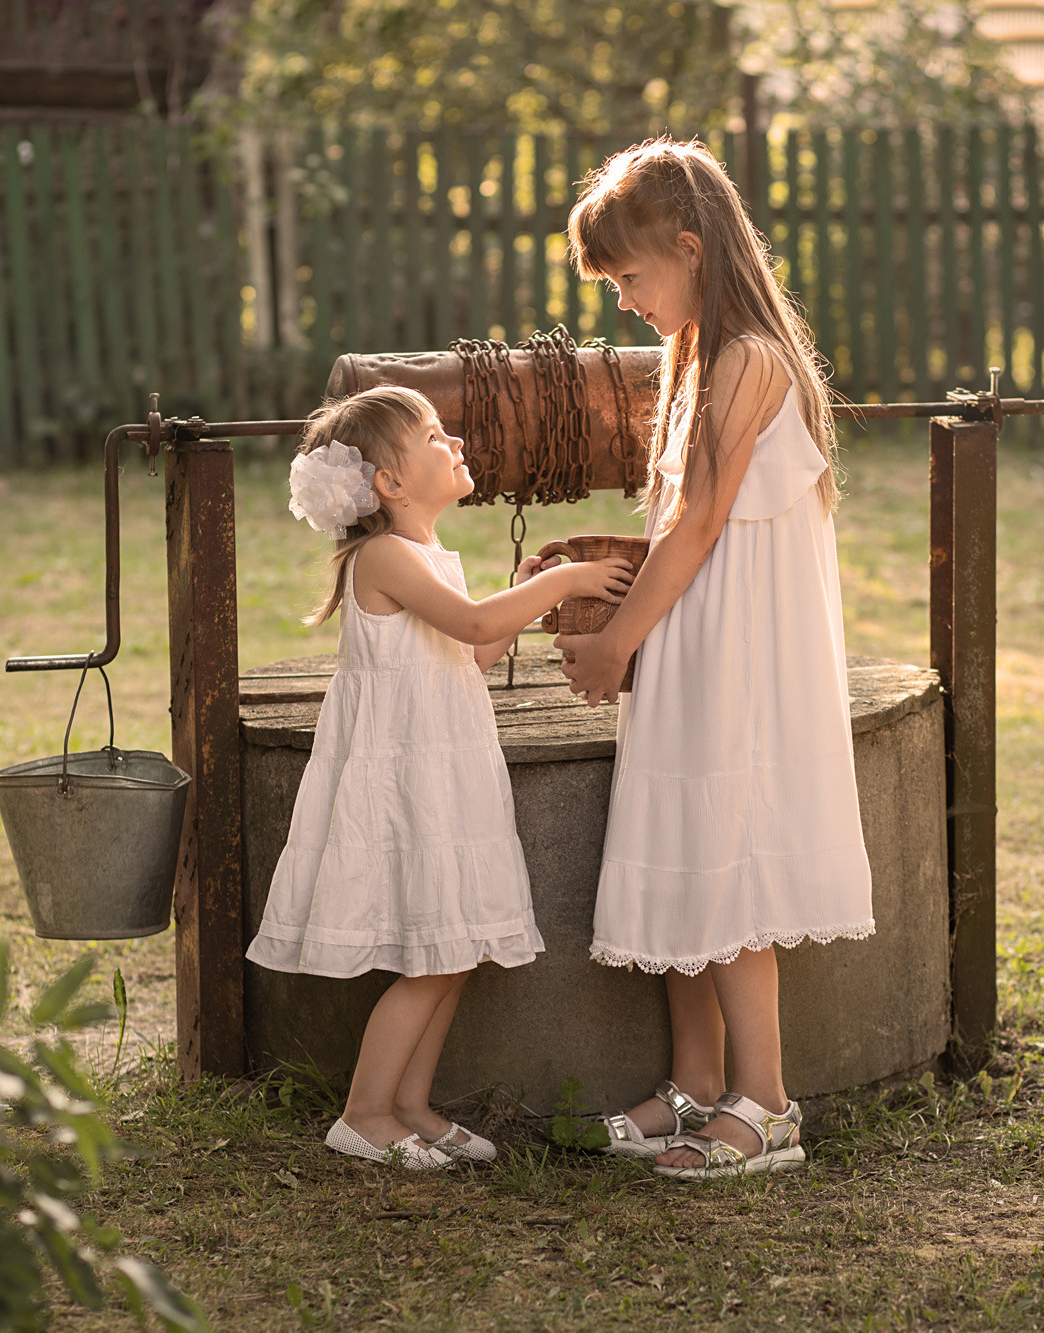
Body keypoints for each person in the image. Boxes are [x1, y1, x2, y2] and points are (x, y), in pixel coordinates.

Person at [556, 139, 874, 1180]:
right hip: (701, 635)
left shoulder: (746, 358)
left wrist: (614, 642)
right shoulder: (699, 351)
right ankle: (695, 1082)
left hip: (738, 651)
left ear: (689, 249)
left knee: (728, 854)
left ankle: (767, 1103)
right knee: (688, 843)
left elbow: (697, 527)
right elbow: (679, 526)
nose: (625, 301)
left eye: (630, 279)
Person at [248, 386, 635, 1170]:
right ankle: (363, 1113)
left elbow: (474, 652)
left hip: (445, 769)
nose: (453, 440)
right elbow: (478, 624)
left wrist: (522, 591)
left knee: (449, 947)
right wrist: (561, 584)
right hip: (406, 780)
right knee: (429, 958)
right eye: (432, 433)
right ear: (389, 484)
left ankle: (411, 1105)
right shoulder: (385, 555)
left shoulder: (425, 556)